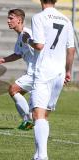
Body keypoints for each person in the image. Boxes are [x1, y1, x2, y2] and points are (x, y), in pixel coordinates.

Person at [22, 0, 75, 159]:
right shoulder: (66, 19)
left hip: (43, 72)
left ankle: (43, 157)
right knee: (43, 116)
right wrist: (68, 71)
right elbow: (71, 49)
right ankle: (38, 155)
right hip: (59, 73)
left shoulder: (39, 17)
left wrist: (27, 40)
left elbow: (39, 45)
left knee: (37, 116)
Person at [0, 9, 37, 130]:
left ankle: (28, 120)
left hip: (37, 72)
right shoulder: (21, 36)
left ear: (19, 20)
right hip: (34, 72)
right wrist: (2, 60)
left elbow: (39, 46)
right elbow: (18, 54)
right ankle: (30, 120)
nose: (8, 21)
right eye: (8, 18)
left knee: (13, 89)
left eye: (11, 18)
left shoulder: (27, 34)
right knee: (17, 93)